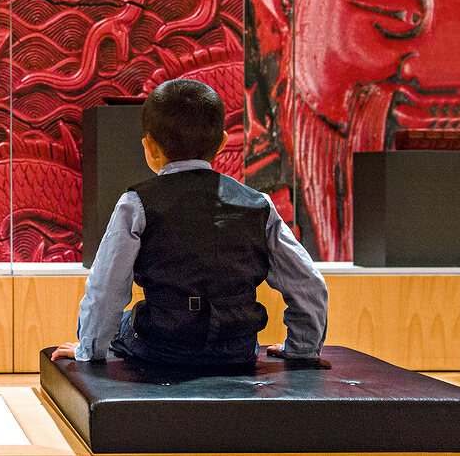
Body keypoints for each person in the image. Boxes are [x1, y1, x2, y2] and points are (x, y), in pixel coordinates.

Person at [52, 79, 328, 366]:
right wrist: (302, 350)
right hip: (238, 349)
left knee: (125, 318)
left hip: (163, 347)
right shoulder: (260, 204)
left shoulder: (135, 204)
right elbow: (309, 286)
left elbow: (106, 291)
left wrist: (89, 350)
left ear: (150, 147)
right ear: (222, 143)